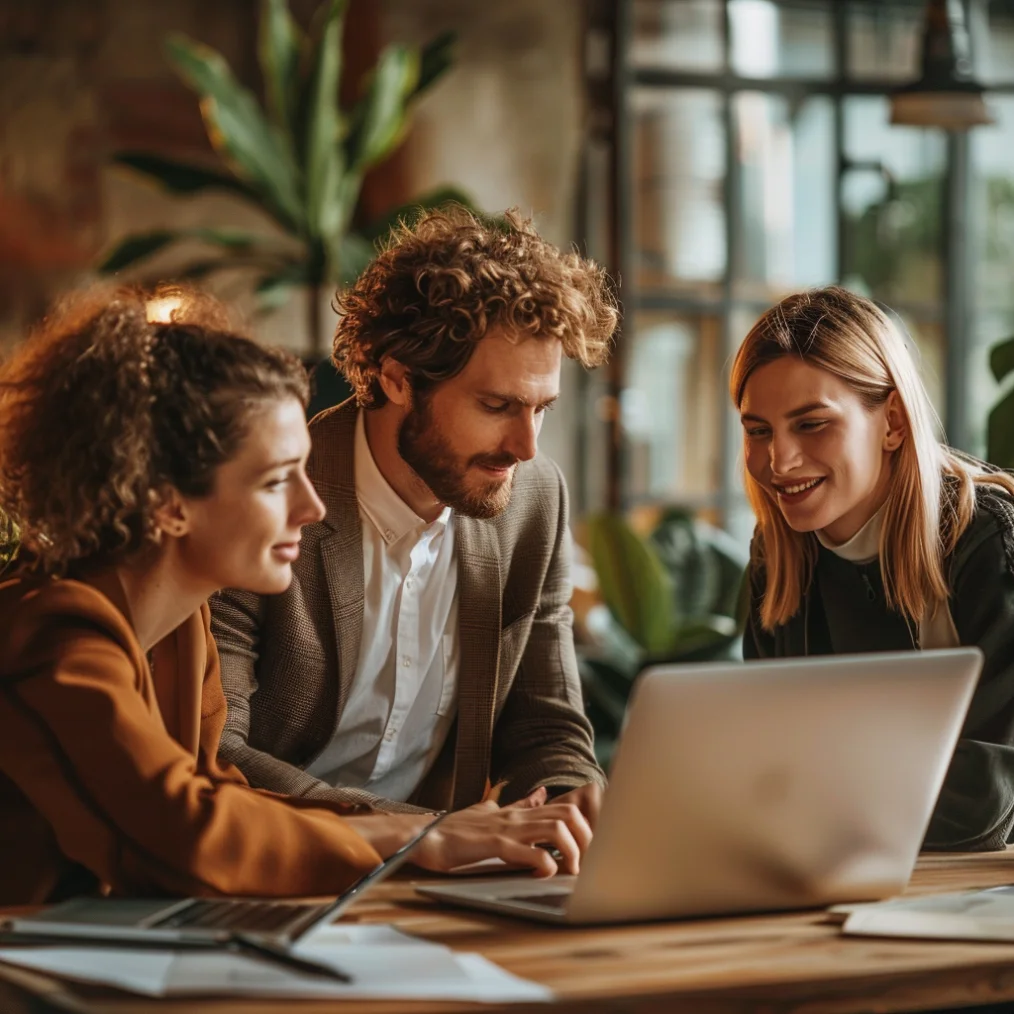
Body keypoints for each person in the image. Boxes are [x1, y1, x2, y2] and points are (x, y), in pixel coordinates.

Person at [0, 286, 593, 907]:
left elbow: (222, 797)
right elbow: (190, 832)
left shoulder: (180, 627)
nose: (311, 508)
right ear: (167, 502)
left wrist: (427, 834)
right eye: (277, 480)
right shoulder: (55, 633)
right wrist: (422, 837)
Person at [210, 207, 617, 820]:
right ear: (398, 378)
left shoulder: (533, 500)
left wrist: (570, 792)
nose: (525, 446)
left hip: (434, 884)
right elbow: (216, 752)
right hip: (271, 868)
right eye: (496, 404)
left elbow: (545, 725)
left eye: (542, 409)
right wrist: (423, 836)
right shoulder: (266, 495)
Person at [731, 285, 1014, 851]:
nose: (778, 461)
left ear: (893, 423)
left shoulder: (987, 542)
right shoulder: (779, 556)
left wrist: (804, 792)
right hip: (837, 872)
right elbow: (759, 771)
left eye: (811, 424)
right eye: (758, 430)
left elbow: (988, 799)